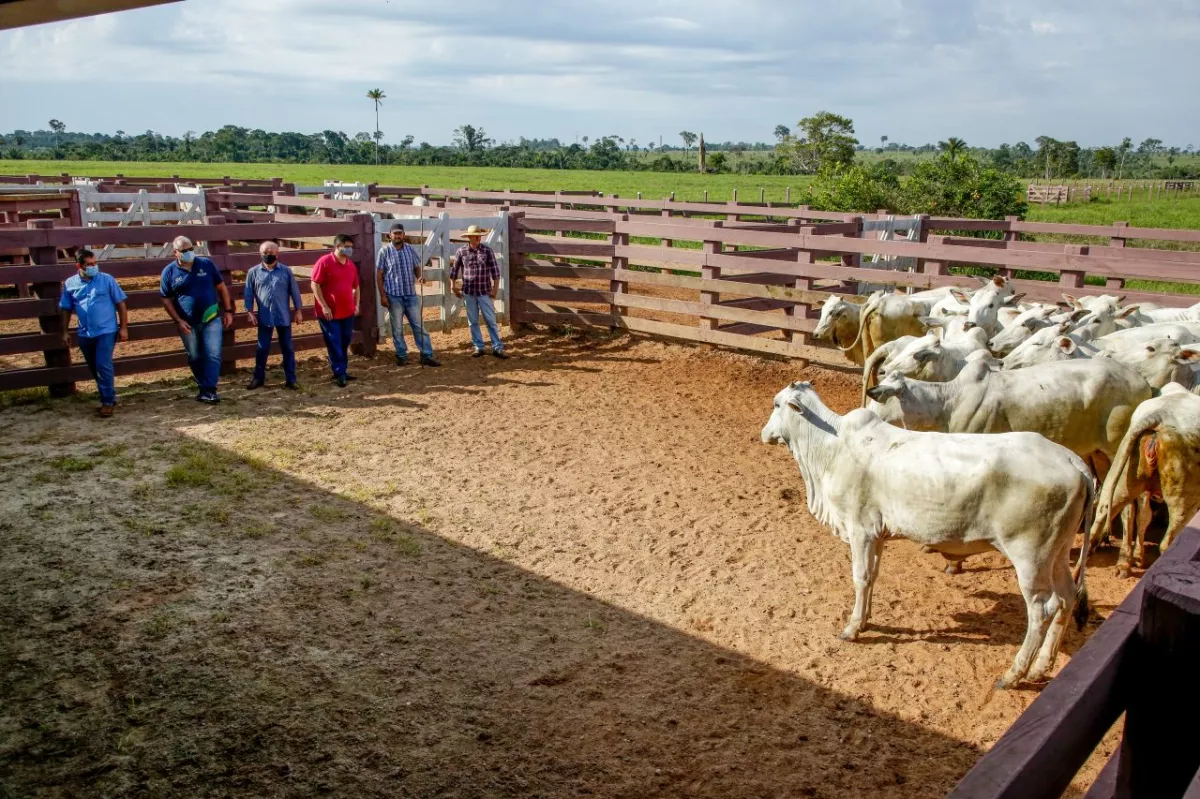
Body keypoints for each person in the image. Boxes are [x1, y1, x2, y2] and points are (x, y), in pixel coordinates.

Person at [159, 235, 233, 404]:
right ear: (175, 252)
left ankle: (210, 390)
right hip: (187, 322)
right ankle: (203, 387)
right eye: (184, 251)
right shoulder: (169, 272)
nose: (189, 253)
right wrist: (178, 319)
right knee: (194, 356)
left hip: (211, 317)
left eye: (191, 249)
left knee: (213, 354)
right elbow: (165, 298)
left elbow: (221, 287)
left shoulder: (206, 264)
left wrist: (228, 310)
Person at [58, 249, 128, 417]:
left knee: (103, 364)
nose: (93, 267)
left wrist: (123, 326)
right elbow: (66, 308)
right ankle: (108, 394)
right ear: (79, 265)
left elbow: (121, 304)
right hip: (84, 332)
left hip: (106, 330)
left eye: (95, 263)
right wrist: (65, 331)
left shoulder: (107, 280)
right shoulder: (70, 284)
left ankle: (107, 401)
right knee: (94, 366)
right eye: (89, 264)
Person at [375, 223, 439, 367]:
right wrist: (383, 296)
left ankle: (426, 354)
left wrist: (419, 277)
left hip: (410, 294)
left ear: (404, 235)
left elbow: (417, 266)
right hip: (393, 295)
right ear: (389, 235)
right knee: (397, 327)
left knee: (419, 326)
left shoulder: (410, 249)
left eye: (400, 233)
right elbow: (379, 275)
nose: (398, 236)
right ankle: (401, 355)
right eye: (395, 233)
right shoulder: (384, 252)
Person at [245, 240, 303, 390]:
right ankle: (258, 378)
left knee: (287, 348)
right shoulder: (253, 272)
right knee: (262, 348)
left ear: (277, 254)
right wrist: (249, 311)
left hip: (283, 316)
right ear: (260, 254)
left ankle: (291, 379)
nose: (268, 255)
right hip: (265, 317)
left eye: (271, 253)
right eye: (265, 253)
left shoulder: (285, 271)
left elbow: (294, 291)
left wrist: (298, 310)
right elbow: (249, 293)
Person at [450, 224, 507, 359]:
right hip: (469, 291)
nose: (477, 238)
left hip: (484, 291)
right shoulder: (461, 251)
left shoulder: (487, 251)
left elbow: (495, 272)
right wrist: (452, 286)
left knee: (490, 320)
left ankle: (497, 347)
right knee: (473, 320)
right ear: (470, 237)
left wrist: (495, 289)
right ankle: (478, 346)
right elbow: (454, 270)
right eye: (474, 236)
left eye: (478, 236)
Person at [312, 233, 360, 387]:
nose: (349, 250)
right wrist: (324, 305)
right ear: (338, 246)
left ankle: (342, 370)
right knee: (334, 341)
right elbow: (315, 284)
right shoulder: (324, 262)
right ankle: (339, 372)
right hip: (329, 312)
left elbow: (356, 287)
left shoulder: (350, 264)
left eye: (351, 247)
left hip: (347, 311)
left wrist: (357, 304)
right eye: (346, 247)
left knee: (345, 340)